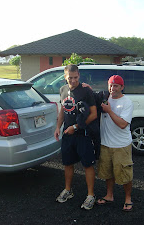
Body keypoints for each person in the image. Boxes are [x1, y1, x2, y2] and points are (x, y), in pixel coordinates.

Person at [54, 64, 98, 210]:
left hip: (82, 134)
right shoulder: (62, 90)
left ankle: (90, 195)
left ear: (79, 75)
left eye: (75, 77)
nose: (73, 80)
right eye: (69, 78)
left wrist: (75, 127)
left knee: (87, 165)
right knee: (67, 163)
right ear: (65, 76)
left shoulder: (86, 91)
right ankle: (68, 190)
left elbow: (93, 114)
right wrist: (58, 127)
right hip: (68, 134)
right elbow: (63, 110)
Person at [95, 75, 134, 212]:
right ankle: (109, 195)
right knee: (107, 172)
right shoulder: (105, 98)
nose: (112, 88)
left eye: (116, 85)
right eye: (110, 85)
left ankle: (128, 198)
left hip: (121, 145)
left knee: (125, 173)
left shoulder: (126, 102)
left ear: (122, 87)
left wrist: (109, 111)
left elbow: (123, 124)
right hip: (105, 143)